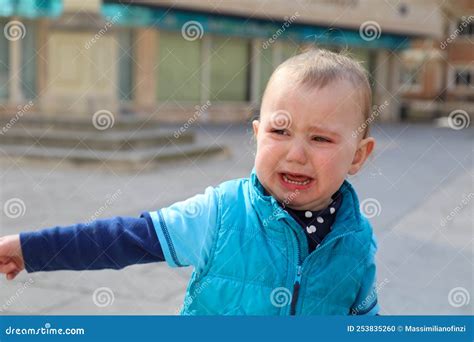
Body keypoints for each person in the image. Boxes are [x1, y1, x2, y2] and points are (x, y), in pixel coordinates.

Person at [0, 49, 379, 315]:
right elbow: (122, 238)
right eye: (280, 131)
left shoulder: (357, 240)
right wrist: (30, 249)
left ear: (358, 156)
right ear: (257, 133)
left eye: (320, 138)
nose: (296, 153)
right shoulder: (221, 213)